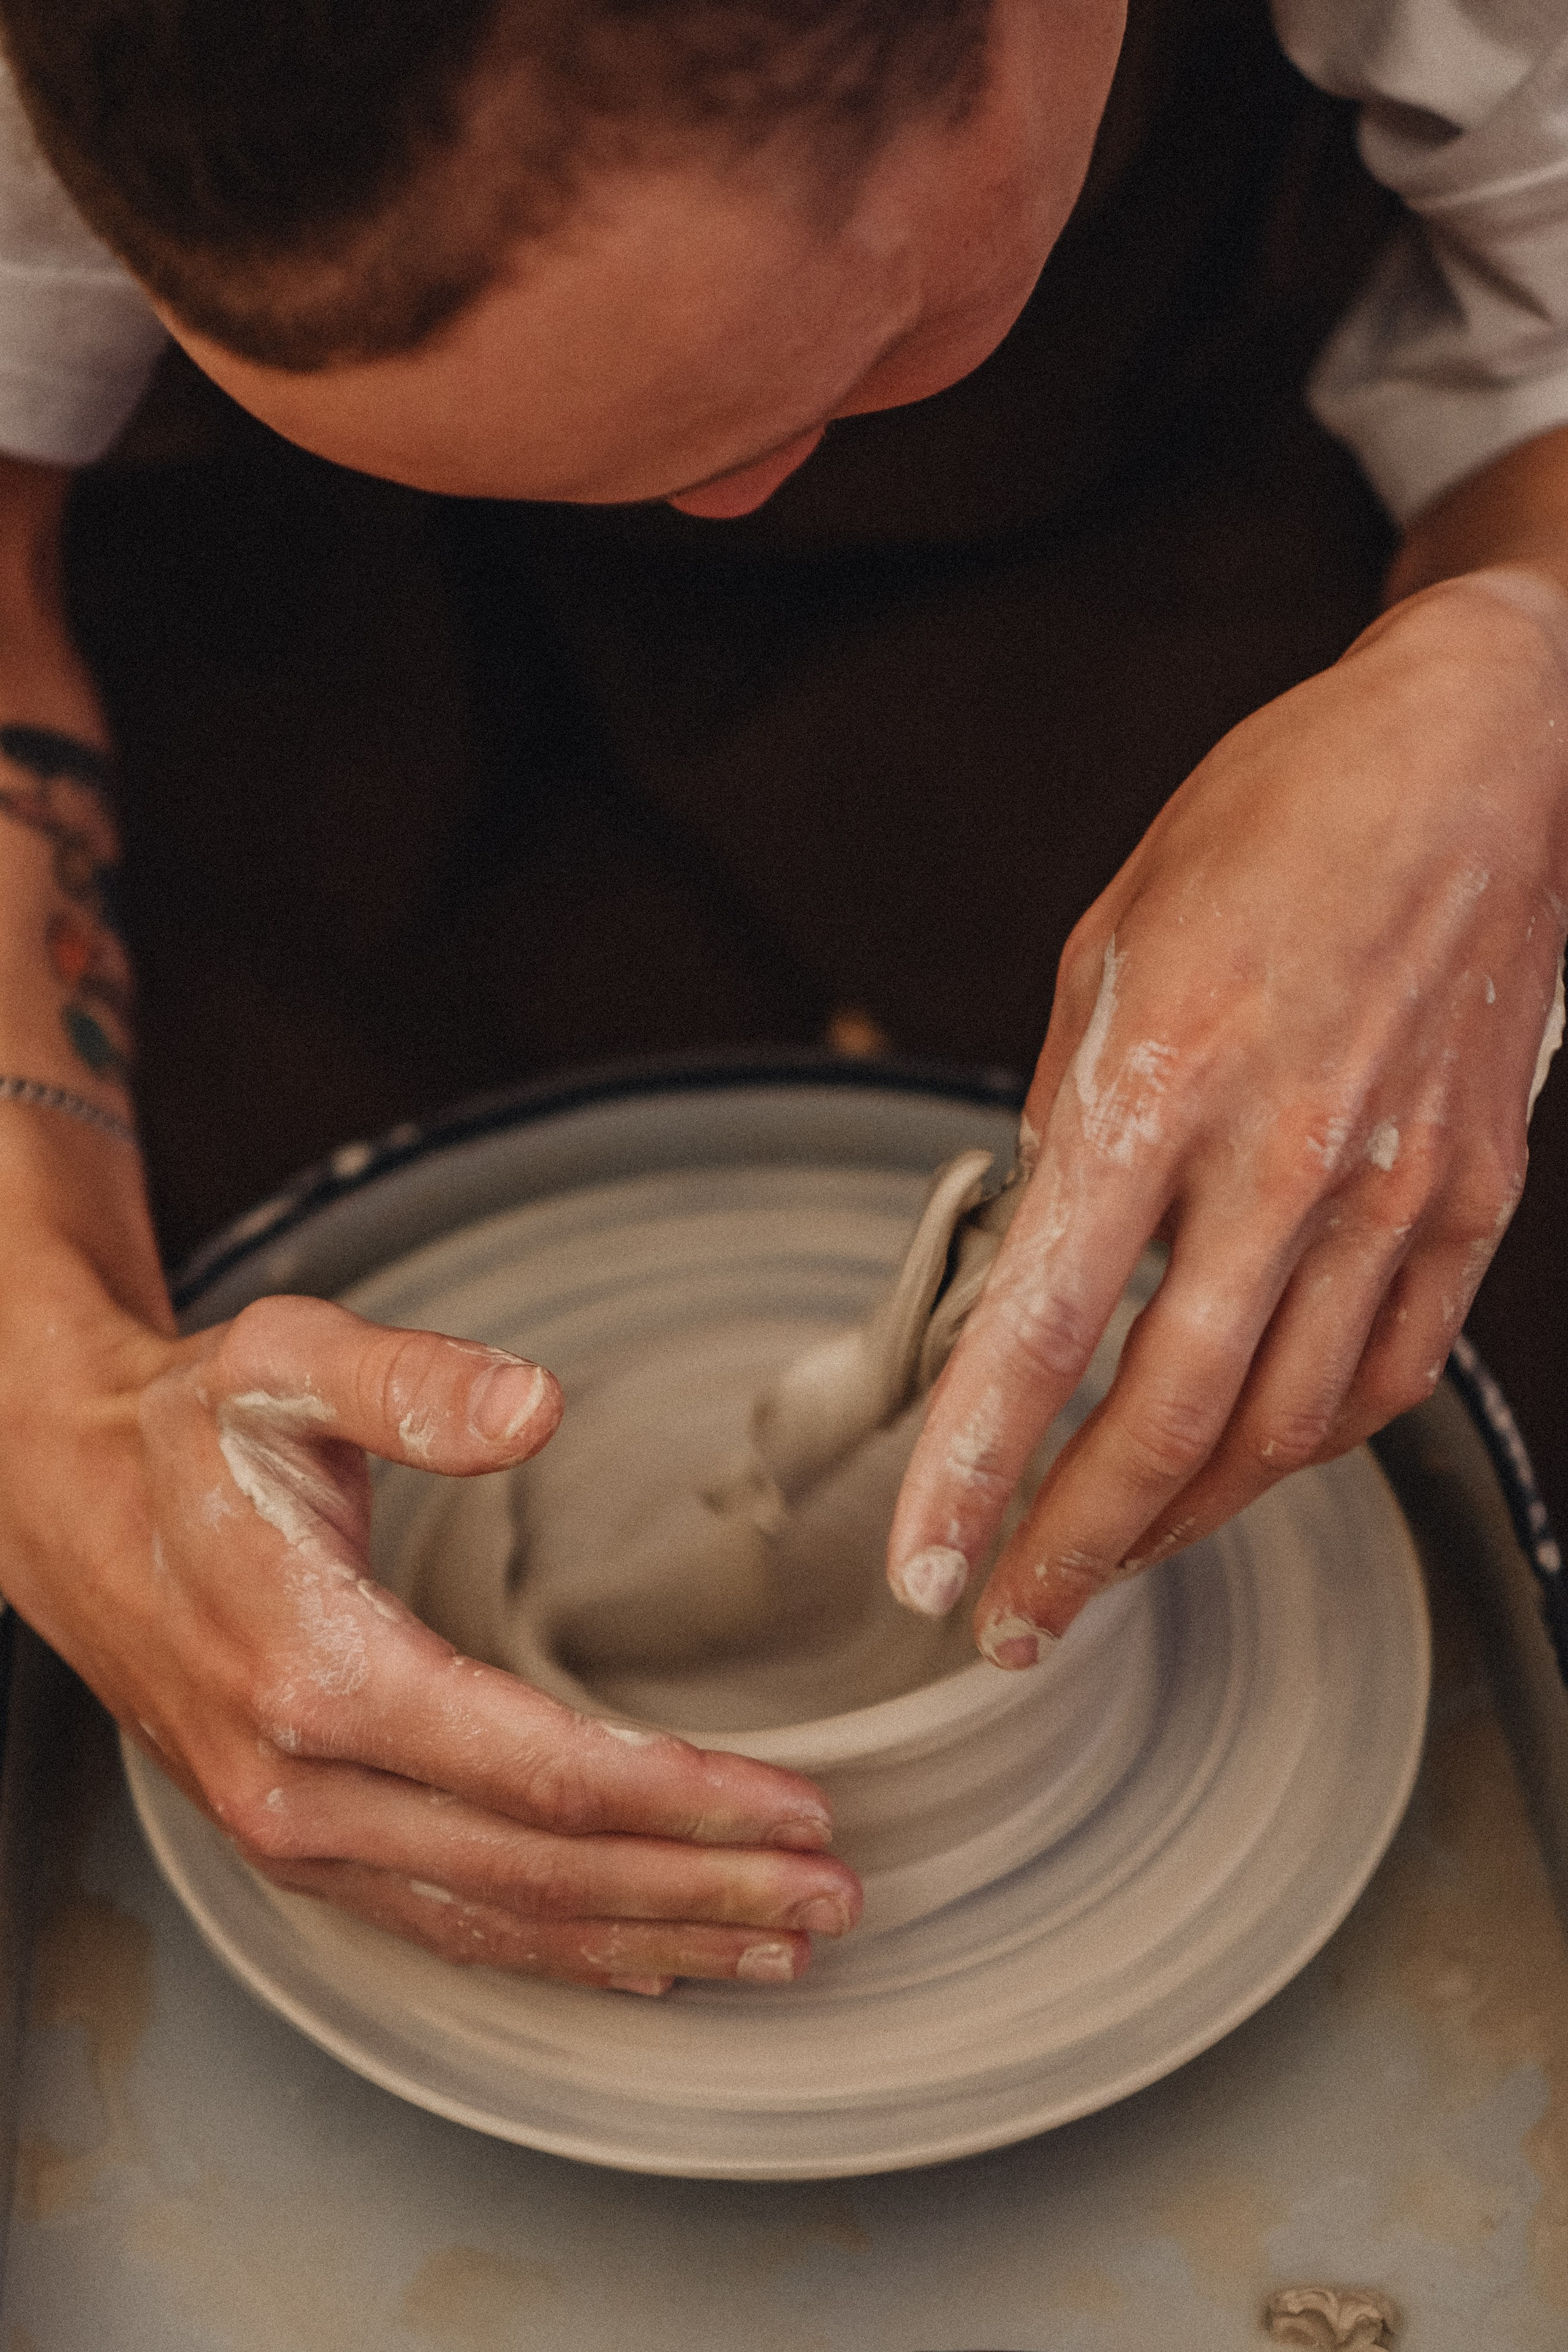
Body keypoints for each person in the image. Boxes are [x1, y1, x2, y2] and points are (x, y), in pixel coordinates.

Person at [1, 0, 1566, 1991]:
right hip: (273, 553)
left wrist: (1512, 662)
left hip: (1151, 432)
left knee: (1422, 1265)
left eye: (846, 351)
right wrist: (50, 1397)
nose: (711, 506)